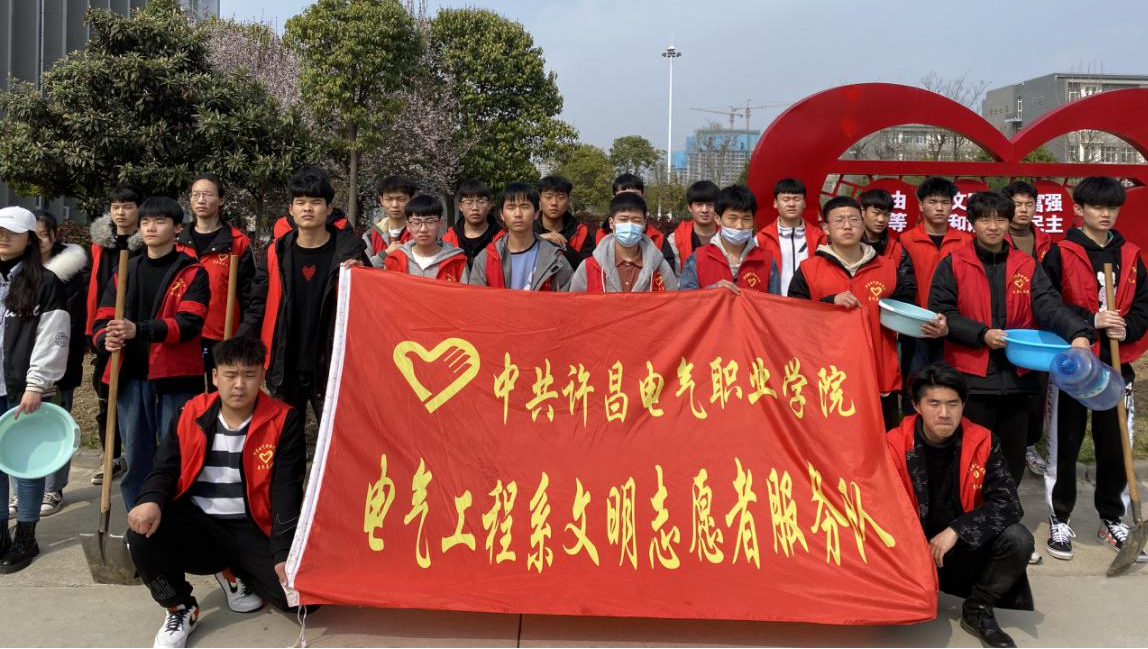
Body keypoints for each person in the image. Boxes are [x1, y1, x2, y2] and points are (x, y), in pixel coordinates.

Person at [929, 192, 1092, 564]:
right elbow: (942, 312)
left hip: (1018, 380)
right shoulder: (954, 263)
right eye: (985, 219)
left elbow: (1048, 305)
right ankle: (967, 532)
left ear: (1009, 222)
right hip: (971, 379)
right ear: (971, 223)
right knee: (971, 459)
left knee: (1011, 460)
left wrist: (1078, 334)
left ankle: (1003, 532)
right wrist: (980, 334)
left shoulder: (1026, 264)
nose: (993, 226)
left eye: (1000, 219)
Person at [126, 336, 306, 648]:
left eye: (249, 375)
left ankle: (233, 572)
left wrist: (282, 553)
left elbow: (286, 491)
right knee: (142, 534)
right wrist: (150, 500)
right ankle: (180, 607)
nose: (239, 385)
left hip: (252, 526)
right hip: (201, 524)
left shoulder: (283, 419)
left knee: (301, 600)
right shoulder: (190, 412)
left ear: (262, 376)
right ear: (215, 376)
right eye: (230, 375)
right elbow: (165, 467)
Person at [1040, 176, 1148, 562]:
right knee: (1066, 442)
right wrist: (1091, 321)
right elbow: (1048, 304)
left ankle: (1112, 518)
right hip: (1074, 365)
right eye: (1097, 207)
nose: (1106, 214)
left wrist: (1126, 327)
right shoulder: (1060, 253)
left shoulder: (1131, 255)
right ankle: (1060, 517)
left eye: (1112, 208)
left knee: (1115, 443)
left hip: (1116, 366)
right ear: (1079, 209)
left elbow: (1143, 306)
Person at [888, 363, 1034, 648]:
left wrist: (957, 530)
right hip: (910, 548)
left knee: (1018, 539)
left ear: (964, 404)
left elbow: (1009, 504)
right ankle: (902, 593)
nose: (945, 413)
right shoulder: (894, 445)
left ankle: (978, 608)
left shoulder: (983, 441)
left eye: (953, 404)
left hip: (960, 547)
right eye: (934, 404)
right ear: (916, 406)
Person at [93, 197, 210, 511]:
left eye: (159, 222)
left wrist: (138, 330)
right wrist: (107, 339)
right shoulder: (125, 269)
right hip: (130, 376)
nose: (150, 228)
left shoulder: (192, 272)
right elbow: (102, 319)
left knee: (178, 453)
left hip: (175, 378)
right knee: (135, 456)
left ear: (177, 228)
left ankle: (176, 520)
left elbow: (189, 323)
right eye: (145, 222)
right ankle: (138, 521)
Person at [789, 196, 934, 429]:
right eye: (839, 221)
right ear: (825, 228)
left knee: (882, 439)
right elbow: (794, 316)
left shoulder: (887, 267)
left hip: (878, 373)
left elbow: (904, 310)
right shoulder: (809, 269)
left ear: (862, 222)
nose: (847, 226)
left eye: (854, 220)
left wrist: (930, 323)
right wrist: (829, 302)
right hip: (828, 376)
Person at [242, 167, 369, 424]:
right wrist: (240, 346)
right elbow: (258, 305)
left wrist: (363, 277)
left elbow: (370, 306)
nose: (307, 208)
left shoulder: (350, 253)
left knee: (336, 436)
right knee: (286, 437)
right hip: (285, 361)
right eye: (300, 202)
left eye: (315, 202)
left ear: (329, 208)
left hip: (332, 364)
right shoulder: (276, 253)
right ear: (291, 209)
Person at [0, 206, 71, 574]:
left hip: (21, 390)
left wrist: (36, 384)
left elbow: (53, 337)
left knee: (25, 463)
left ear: (29, 238)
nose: (2, 237)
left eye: (11, 232)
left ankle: (26, 535)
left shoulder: (45, 282)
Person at [175, 173, 255, 392]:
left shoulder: (238, 242)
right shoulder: (177, 242)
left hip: (223, 335)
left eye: (207, 194)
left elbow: (249, 296)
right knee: (186, 398)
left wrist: (243, 336)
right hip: (183, 333)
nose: (201, 200)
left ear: (221, 200)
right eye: (196, 194)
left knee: (221, 395)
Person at [86, 185, 144, 486]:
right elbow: (93, 285)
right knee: (104, 396)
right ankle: (109, 455)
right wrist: (92, 330)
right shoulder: (100, 244)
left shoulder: (145, 244)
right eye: (115, 207)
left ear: (139, 209)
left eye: (127, 206)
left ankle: (139, 457)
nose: (121, 213)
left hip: (137, 328)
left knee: (135, 399)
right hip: (104, 327)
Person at [899, 177, 972, 397]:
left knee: (949, 384)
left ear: (953, 205)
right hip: (915, 325)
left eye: (945, 202)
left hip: (952, 325)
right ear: (921, 205)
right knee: (915, 383)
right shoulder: (905, 240)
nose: (939, 208)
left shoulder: (966, 241)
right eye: (932, 202)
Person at [37, 211, 89, 516]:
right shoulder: (17, 270)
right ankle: (24, 488)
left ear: (54, 236)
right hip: (18, 365)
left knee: (56, 424)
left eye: (43, 234)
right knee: (20, 426)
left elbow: (70, 323)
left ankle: (53, 488)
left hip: (57, 364)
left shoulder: (69, 273)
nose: (37, 241)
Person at [1002, 181, 1054, 477]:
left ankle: (1028, 445)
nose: (1023, 210)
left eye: (1029, 204)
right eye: (1017, 204)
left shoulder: (1046, 243)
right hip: (1005, 325)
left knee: (1036, 390)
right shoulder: (995, 237)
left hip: (1039, 327)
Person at [469, 183, 572, 291]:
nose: (518, 214)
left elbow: (568, 299)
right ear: (502, 215)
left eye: (524, 207)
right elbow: (475, 298)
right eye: (511, 207)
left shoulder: (555, 259)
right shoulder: (485, 259)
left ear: (536, 213)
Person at [678, 184, 780, 294]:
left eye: (746, 219)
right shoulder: (697, 259)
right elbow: (685, 300)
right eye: (732, 218)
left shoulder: (767, 261)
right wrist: (712, 291)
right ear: (717, 218)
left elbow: (774, 303)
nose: (739, 226)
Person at [571, 193, 677, 293]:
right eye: (623, 219)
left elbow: (672, 302)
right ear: (611, 223)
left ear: (644, 224)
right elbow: (575, 303)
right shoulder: (589, 267)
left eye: (636, 220)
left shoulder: (660, 267)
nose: (630, 225)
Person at [754, 178, 825, 296]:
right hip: (774, 302)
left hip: (809, 303)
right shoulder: (761, 238)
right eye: (785, 199)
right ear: (775, 203)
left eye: (797, 199)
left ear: (804, 203)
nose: (791, 204)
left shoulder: (818, 237)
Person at [382, 195, 469, 282]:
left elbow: (464, 290)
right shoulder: (394, 260)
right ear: (408, 226)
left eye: (430, 222)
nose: (423, 229)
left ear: (440, 223)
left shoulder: (457, 261)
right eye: (416, 222)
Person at [536, 175, 596, 271]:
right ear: (539, 199)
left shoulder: (581, 232)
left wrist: (562, 246)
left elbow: (586, 269)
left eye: (560, 197)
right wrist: (539, 239)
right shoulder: (527, 229)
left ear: (568, 200)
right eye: (548, 197)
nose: (554, 203)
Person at [442, 179, 503, 268]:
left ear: (489, 205)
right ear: (460, 206)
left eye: (481, 202)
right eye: (469, 202)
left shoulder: (502, 239)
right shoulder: (448, 240)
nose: (475, 208)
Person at [668, 180, 721, 274]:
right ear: (689, 207)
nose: (704, 210)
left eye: (710, 205)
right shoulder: (676, 239)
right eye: (699, 205)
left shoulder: (728, 236)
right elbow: (674, 277)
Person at [364, 175, 417, 266]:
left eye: (401, 199)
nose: (395, 205)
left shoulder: (421, 232)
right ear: (381, 200)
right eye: (389, 199)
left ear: (412, 199)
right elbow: (363, 268)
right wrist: (385, 254)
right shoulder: (370, 235)